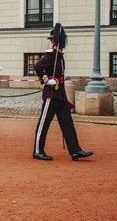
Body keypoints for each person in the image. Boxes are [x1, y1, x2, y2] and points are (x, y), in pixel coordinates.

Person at [33, 23, 94, 161]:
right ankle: (37, 151)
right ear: (54, 41)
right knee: (44, 123)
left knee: (67, 123)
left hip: (60, 94)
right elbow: (37, 66)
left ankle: (75, 150)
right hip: (51, 93)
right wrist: (46, 79)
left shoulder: (59, 56)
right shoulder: (51, 55)